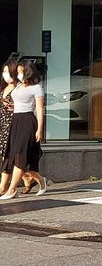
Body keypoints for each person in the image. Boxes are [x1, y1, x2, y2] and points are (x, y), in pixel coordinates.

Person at [0, 60, 47, 200]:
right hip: (16, 119)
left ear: (28, 71)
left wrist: (39, 129)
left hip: (27, 121)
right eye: (18, 71)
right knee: (14, 153)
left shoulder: (36, 88)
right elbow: (19, 103)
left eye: (21, 71)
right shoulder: (18, 86)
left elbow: (39, 110)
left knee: (20, 154)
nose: (18, 74)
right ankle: (40, 180)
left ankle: (12, 189)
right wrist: (11, 106)